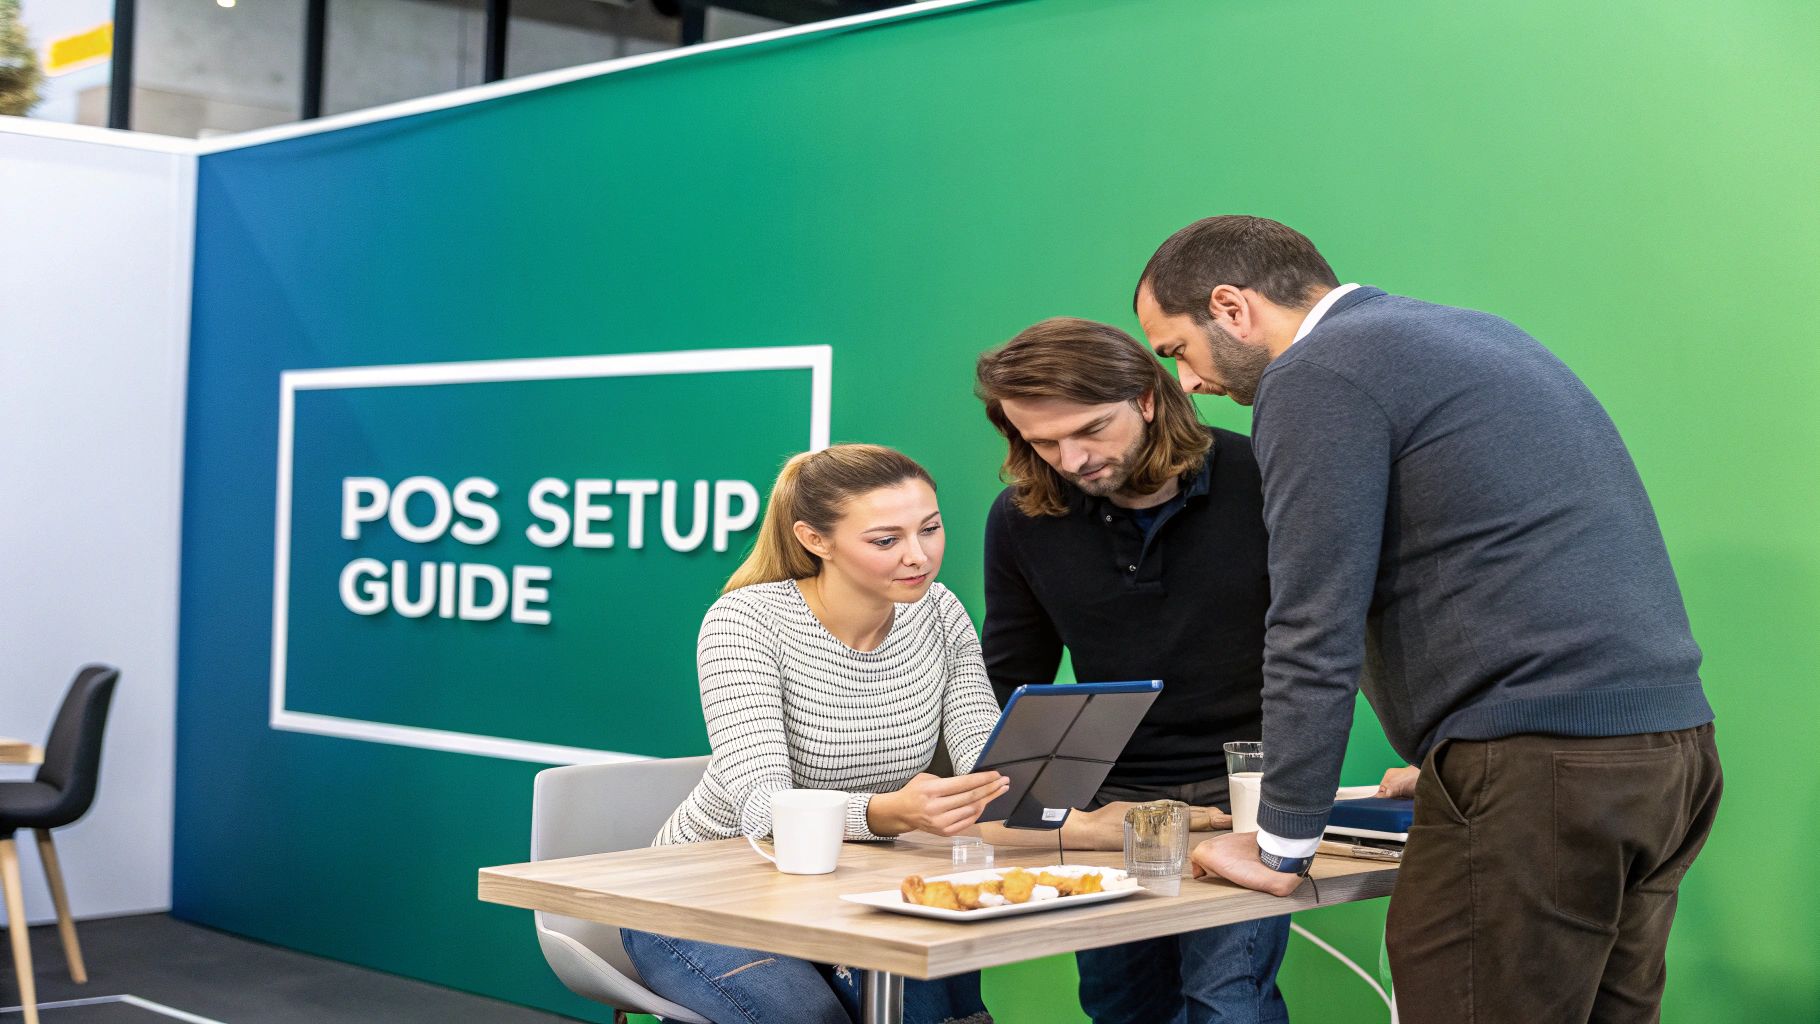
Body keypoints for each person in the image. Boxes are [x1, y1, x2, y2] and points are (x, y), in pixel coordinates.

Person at [1134, 215, 1722, 1023]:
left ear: (1231, 307)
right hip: (1667, 755)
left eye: (1177, 351)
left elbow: (1313, 617)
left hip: (1546, 774)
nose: (1189, 384)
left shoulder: (1317, 373)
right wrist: (1469, 752)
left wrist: (1281, 838)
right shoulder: (1474, 336)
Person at [972, 317, 1290, 1024]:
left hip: (1242, 792)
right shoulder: (1021, 517)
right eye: (1042, 441)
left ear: (1147, 397)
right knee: (1120, 1008)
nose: (1072, 458)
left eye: (1089, 430)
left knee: (1225, 1002)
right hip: (1105, 806)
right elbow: (1005, 675)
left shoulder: (1268, 476)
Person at [623, 444, 1008, 1024]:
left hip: (845, 888)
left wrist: (1086, 819)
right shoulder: (745, 621)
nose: (919, 556)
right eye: (886, 540)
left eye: (930, 529)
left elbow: (990, 765)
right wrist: (888, 813)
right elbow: (764, 810)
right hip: (700, 894)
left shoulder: (940, 612)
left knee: (943, 1011)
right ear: (815, 539)